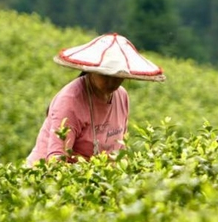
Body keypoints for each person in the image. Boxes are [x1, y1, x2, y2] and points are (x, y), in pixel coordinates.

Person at [25, 33, 165, 166]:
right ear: (92, 70)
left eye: (117, 77)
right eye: (105, 75)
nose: (111, 82)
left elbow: (120, 148)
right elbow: (57, 159)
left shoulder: (122, 96)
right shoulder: (70, 100)